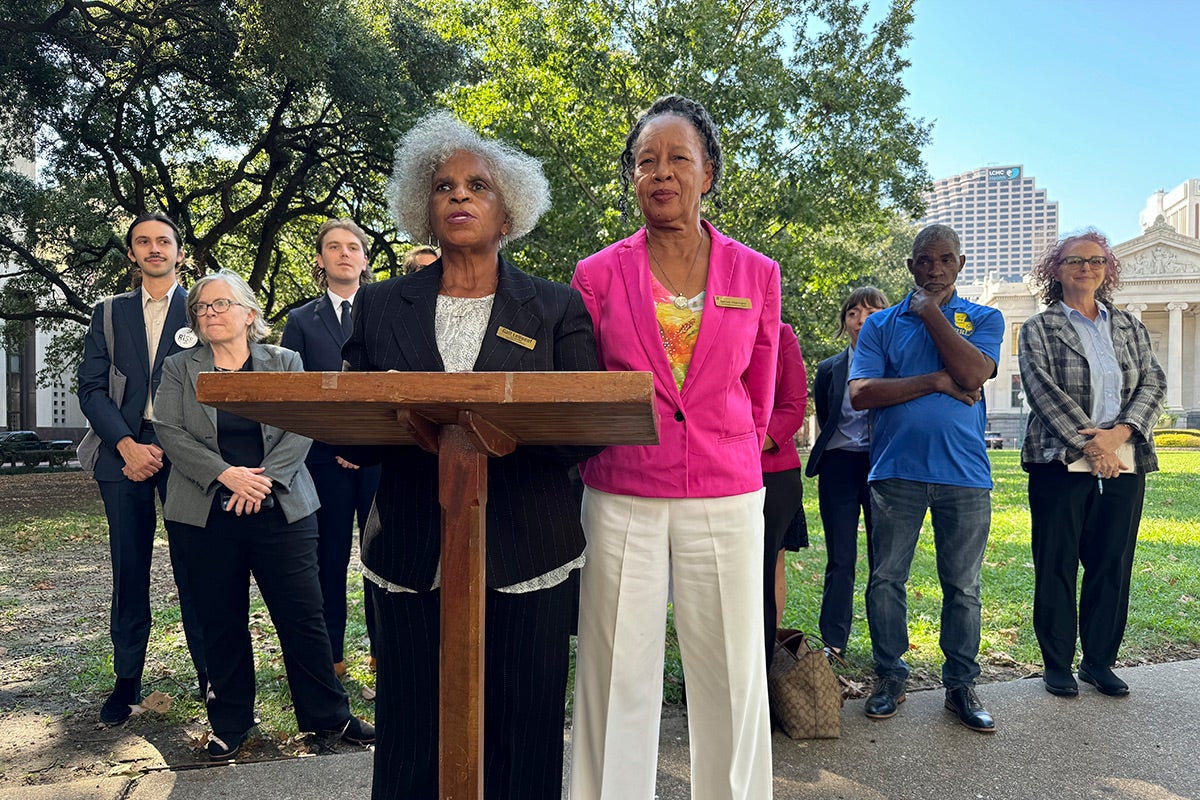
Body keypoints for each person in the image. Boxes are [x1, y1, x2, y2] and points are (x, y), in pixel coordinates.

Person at [341, 111, 599, 800]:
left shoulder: (555, 308)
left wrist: (503, 439)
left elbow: (589, 425)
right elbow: (343, 426)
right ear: (422, 209)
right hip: (409, 549)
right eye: (444, 186)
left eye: (477, 185)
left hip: (529, 550)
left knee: (525, 731)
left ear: (508, 210)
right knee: (410, 734)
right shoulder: (376, 306)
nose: (459, 195)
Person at [570, 94, 781, 799]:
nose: (660, 173)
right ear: (632, 178)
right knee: (615, 670)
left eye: (677, 158)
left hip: (725, 492)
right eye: (644, 161)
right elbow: (589, 387)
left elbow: (760, 388)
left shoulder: (758, 274)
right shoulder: (596, 275)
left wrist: (729, 448)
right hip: (622, 487)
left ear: (709, 172)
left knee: (729, 671)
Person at [152, 270, 374, 760]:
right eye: (203, 308)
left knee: (303, 615)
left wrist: (265, 480)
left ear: (249, 314)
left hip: (283, 508)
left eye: (221, 304)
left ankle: (328, 719)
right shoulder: (177, 368)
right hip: (206, 511)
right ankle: (230, 721)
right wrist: (228, 476)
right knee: (219, 618)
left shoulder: (284, 361)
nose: (210, 313)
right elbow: (170, 431)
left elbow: (301, 427)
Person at [849, 224, 1003, 734]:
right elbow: (862, 393)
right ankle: (890, 676)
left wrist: (932, 314)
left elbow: (974, 373)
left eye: (944, 259)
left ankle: (960, 685)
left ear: (959, 264)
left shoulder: (984, 317)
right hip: (896, 473)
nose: (934, 268)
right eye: (924, 260)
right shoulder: (880, 326)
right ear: (911, 266)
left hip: (964, 476)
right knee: (886, 579)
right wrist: (935, 381)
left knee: (963, 586)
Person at [1018, 231, 1165, 698]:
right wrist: (1093, 446)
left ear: (1107, 269)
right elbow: (1041, 390)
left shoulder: (1129, 327)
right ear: (1056, 269)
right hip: (1059, 458)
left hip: (1126, 456)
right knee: (1056, 561)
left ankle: (1099, 661)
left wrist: (1120, 434)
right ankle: (1057, 663)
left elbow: (1153, 384)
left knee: (1112, 561)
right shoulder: (1039, 328)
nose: (1086, 267)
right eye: (1075, 260)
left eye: (1096, 260)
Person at [76, 212, 207, 725]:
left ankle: (211, 677)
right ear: (131, 254)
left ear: (179, 251)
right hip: (122, 455)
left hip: (187, 456)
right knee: (129, 569)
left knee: (196, 568)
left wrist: (168, 445)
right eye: (143, 242)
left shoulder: (202, 307)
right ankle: (126, 680)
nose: (154, 249)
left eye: (164, 241)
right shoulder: (108, 313)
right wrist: (127, 445)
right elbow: (89, 388)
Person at [280, 219, 381, 684]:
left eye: (353, 247)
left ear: (365, 258)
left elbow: (395, 382)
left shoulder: (388, 312)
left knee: (382, 554)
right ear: (320, 260)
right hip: (323, 461)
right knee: (330, 558)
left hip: (381, 457)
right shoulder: (300, 321)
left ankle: (386, 652)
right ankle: (331, 658)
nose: (344, 253)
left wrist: (365, 442)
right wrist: (339, 441)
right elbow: (297, 397)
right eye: (334, 247)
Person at [805, 286, 890, 654]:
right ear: (844, 321)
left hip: (881, 465)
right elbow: (826, 416)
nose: (861, 320)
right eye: (853, 313)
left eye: (871, 313)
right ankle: (833, 642)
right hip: (838, 465)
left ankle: (883, 644)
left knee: (882, 560)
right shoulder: (829, 369)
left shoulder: (895, 366)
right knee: (840, 557)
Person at [761, 322, 807, 667]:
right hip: (707, 472)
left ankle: (760, 677)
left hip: (771, 471)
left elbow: (793, 404)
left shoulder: (781, 332)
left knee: (764, 573)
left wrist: (742, 447)